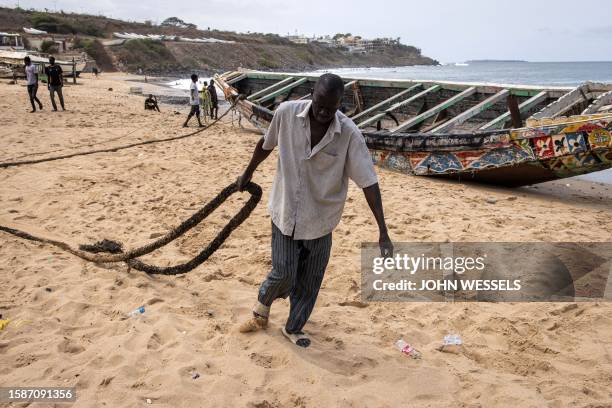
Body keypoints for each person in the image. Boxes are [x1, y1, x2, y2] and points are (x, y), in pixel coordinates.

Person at [237, 73, 393, 348]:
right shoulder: (286, 114)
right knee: (284, 272)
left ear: (339, 104)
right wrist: (248, 172)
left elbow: (368, 182)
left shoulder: (349, 134)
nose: (323, 112)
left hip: (321, 219)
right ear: (312, 94)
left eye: (330, 108)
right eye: (319, 104)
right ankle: (262, 309)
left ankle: (293, 327)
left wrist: (383, 231)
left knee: (309, 281)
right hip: (285, 210)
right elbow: (265, 144)